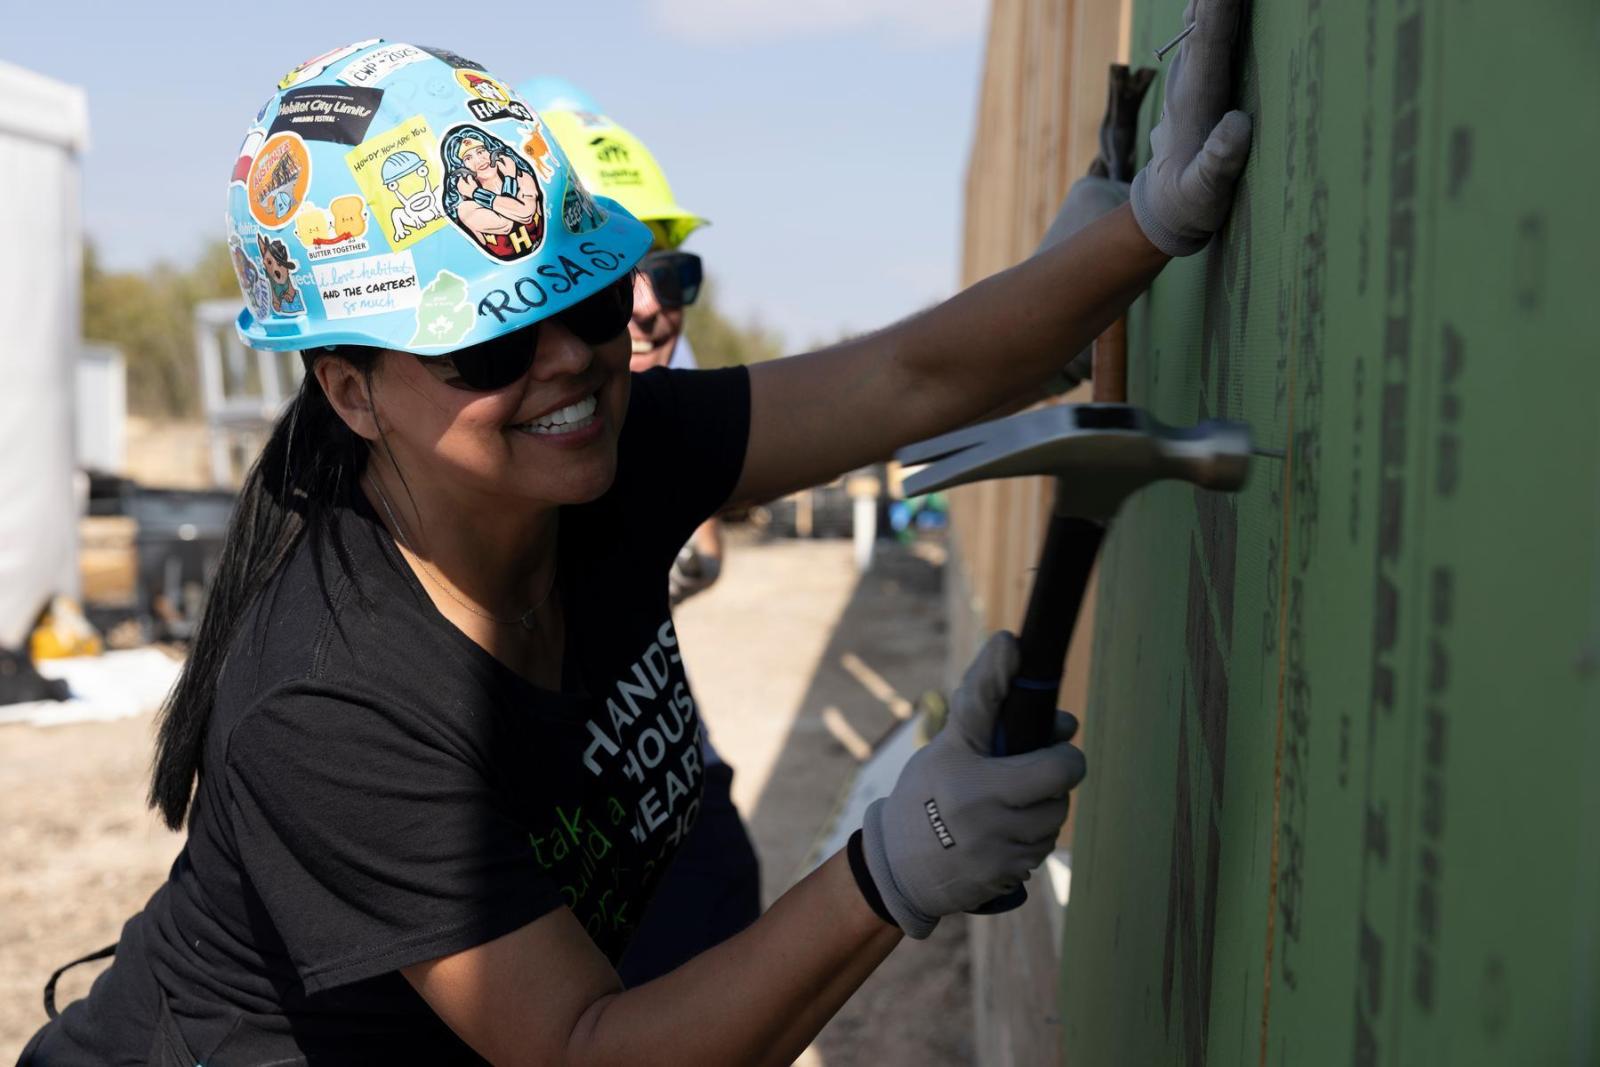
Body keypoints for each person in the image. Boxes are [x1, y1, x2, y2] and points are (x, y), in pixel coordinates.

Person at [20, 16, 1248, 1064]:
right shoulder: (330, 698)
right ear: (348, 390)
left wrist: (1138, 231)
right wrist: (896, 862)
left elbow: (908, 376)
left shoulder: (601, 460)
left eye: (590, 300)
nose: (568, 360)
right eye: (489, 344)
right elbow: (579, 1049)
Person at [519, 79, 754, 988]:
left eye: (674, 273)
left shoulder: (644, 376)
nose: (654, 305)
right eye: (622, 272)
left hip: (670, 796)